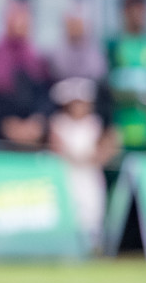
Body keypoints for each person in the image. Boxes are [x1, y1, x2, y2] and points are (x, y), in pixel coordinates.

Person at [48, 76, 118, 250]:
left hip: (90, 175)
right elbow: (56, 148)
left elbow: (106, 148)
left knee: (93, 209)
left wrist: (95, 157)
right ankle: (68, 246)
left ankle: (93, 246)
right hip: (66, 174)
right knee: (70, 207)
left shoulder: (94, 123)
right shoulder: (58, 124)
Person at [0, 0, 50, 149]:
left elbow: (44, 95)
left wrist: (37, 122)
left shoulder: (37, 58)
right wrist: (8, 124)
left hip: (32, 138)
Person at [107, 0, 146, 152]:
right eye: (136, 11)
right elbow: (109, 88)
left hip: (145, 130)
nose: (140, 16)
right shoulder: (114, 46)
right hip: (120, 130)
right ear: (125, 12)